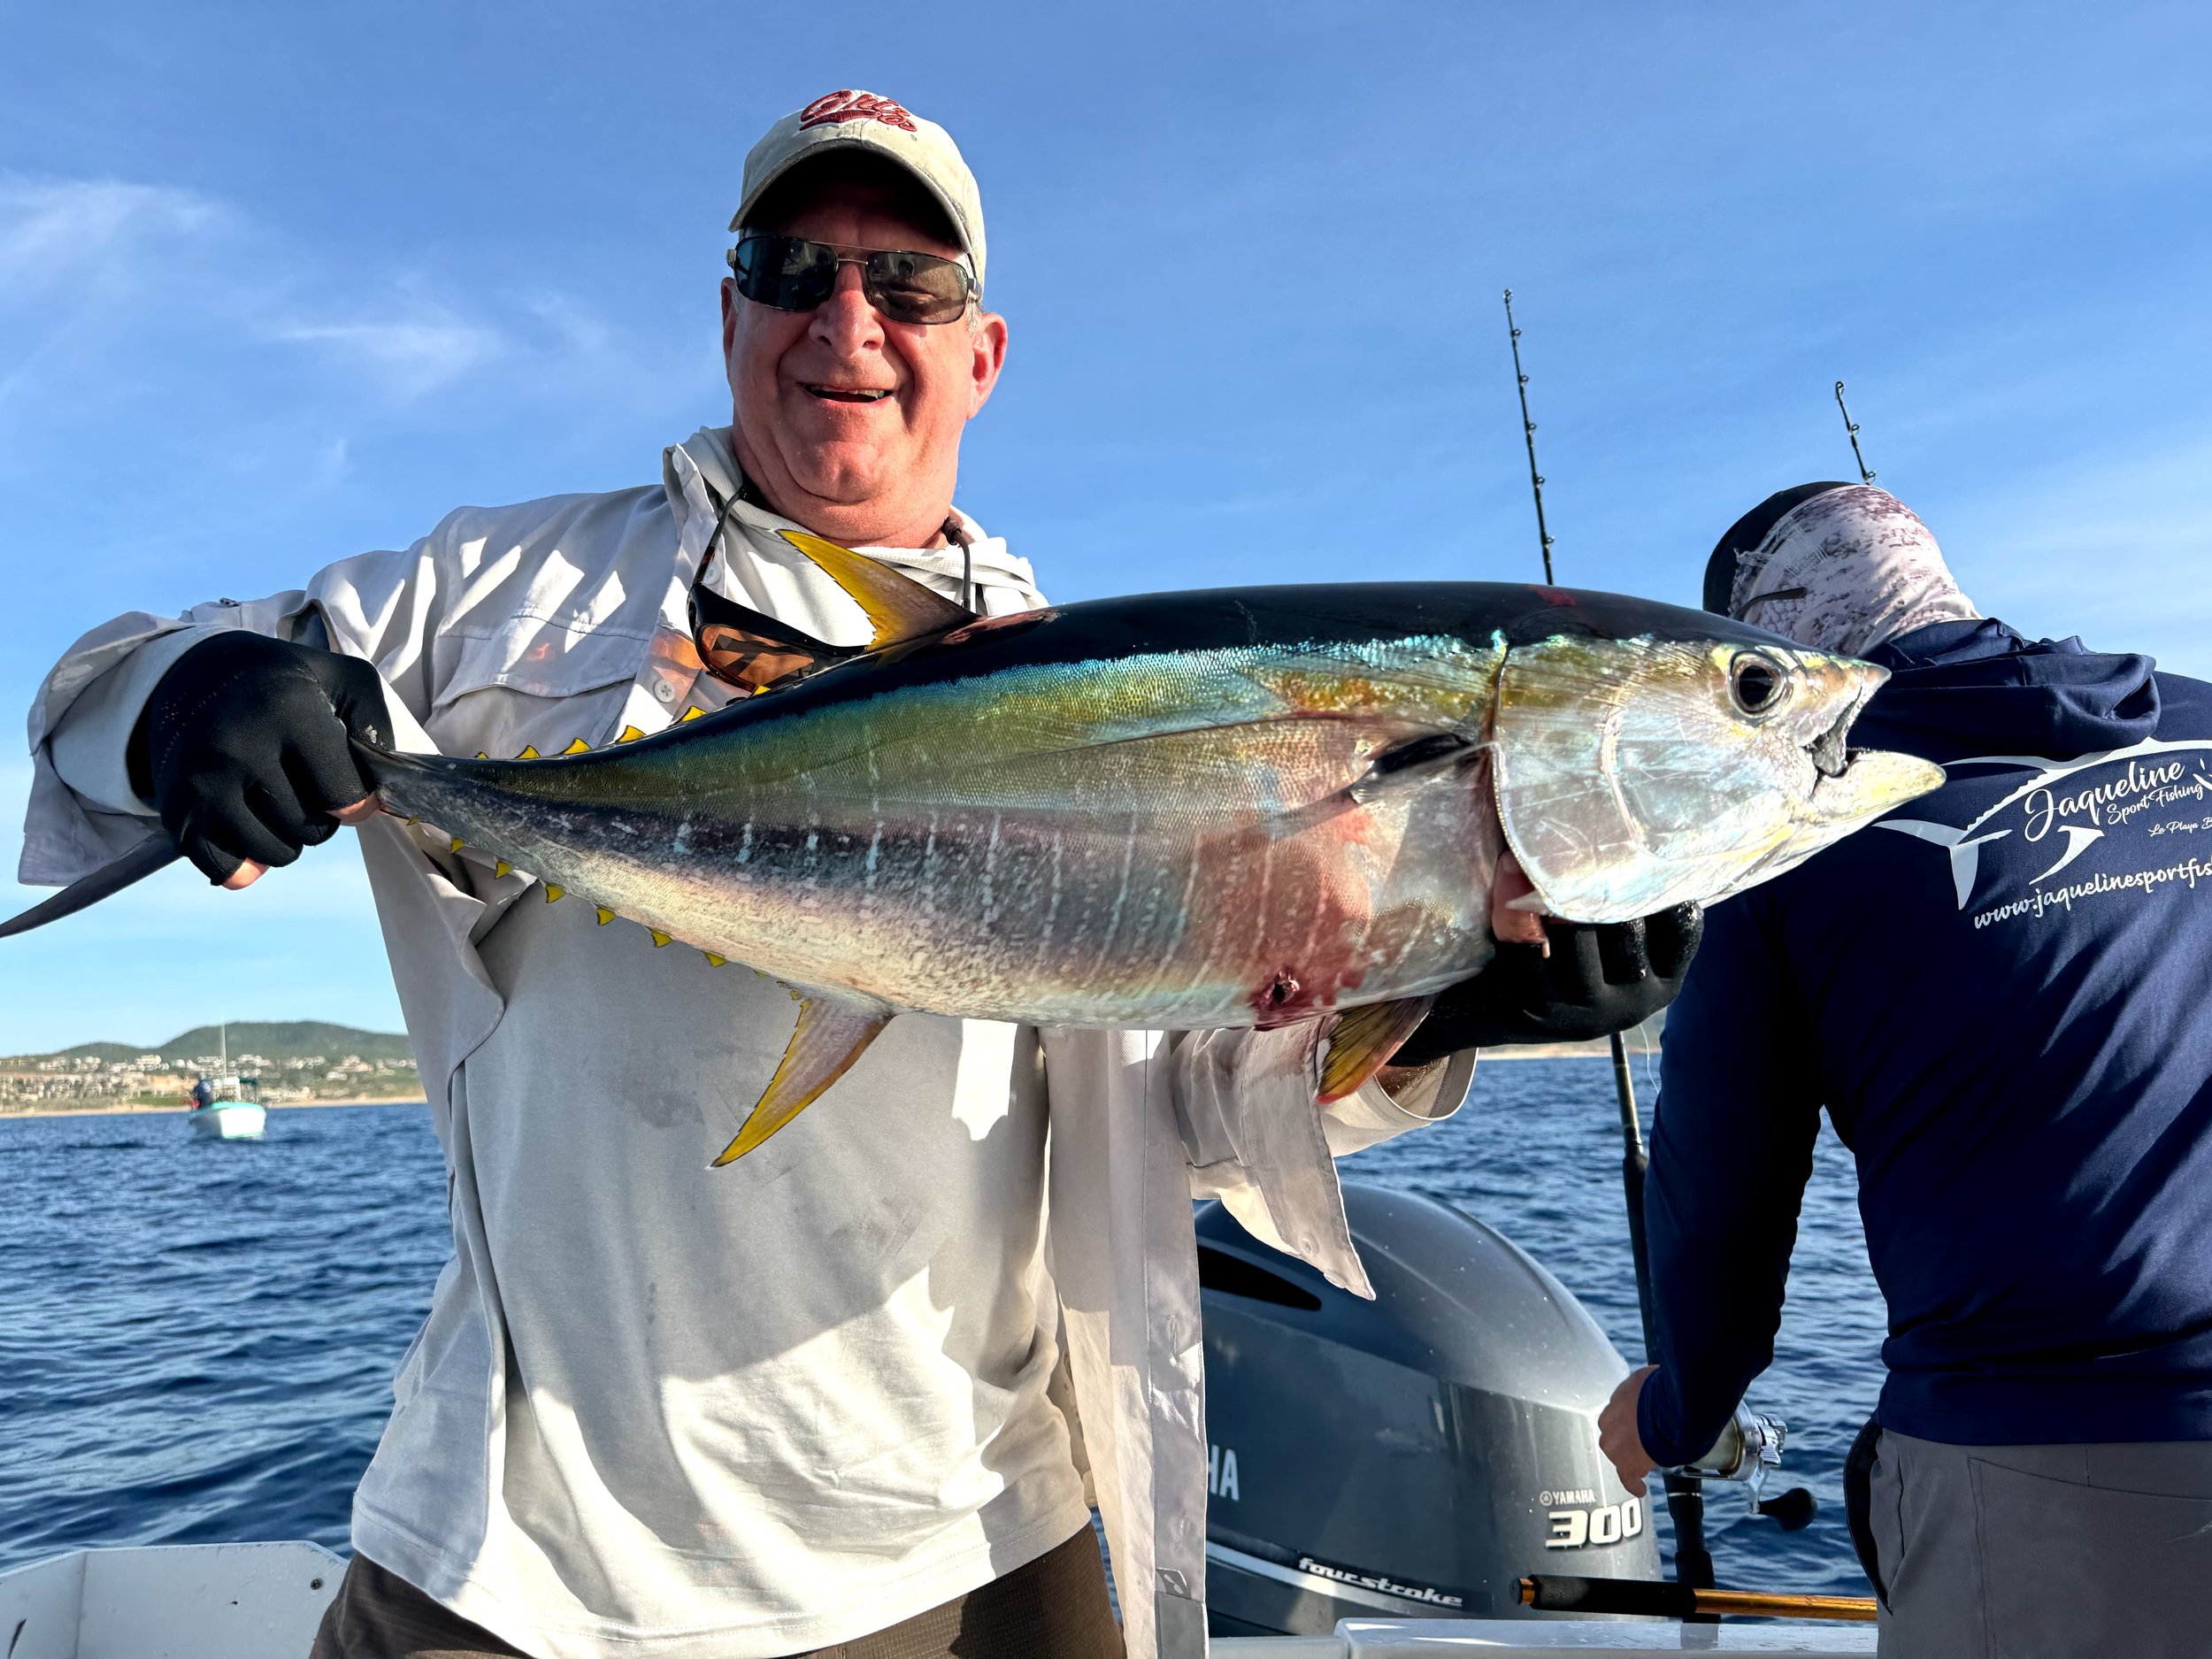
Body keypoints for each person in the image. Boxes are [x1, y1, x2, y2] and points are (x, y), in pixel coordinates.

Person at [25, 91, 1690, 1659]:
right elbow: (90, 689)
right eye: (792, 269)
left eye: (908, 282)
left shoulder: (1123, 704)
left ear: (982, 350)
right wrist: (181, 701)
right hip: (524, 1555)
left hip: (968, 1540)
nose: (848, 322)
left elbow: (1187, 1106)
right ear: (729, 313)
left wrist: (1439, 1006)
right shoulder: (492, 594)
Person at [1596, 482, 2212, 1657]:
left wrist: (1671, 1416)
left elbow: (1722, 1205)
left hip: (2057, 1471)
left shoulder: (1790, 828)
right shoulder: (2200, 711)